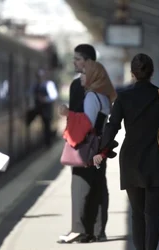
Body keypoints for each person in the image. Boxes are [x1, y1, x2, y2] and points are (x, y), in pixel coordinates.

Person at [93, 53, 159, 250]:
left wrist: (101, 150)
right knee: (153, 214)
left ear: (133, 73)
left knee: (137, 213)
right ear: (152, 72)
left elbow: (113, 126)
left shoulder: (124, 96)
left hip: (132, 159)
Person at [57, 44, 113, 243]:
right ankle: (98, 230)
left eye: (78, 59)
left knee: (80, 185)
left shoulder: (82, 88)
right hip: (101, 142)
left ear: (88, 63)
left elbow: (82, 120)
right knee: (99, 184)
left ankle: (80, 229)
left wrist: (67, 116)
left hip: (86, 144)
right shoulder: (104, 90)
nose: (74, 63)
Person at [26, 69, 58, 147]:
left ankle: (48, 144)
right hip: (38, 107)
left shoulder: (49, 84)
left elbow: (54, 96)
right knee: (30, 116)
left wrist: (45, 99)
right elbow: (29, 93)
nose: (40, 78)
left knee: (47, 125)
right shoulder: (35, 85)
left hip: (46, 109)